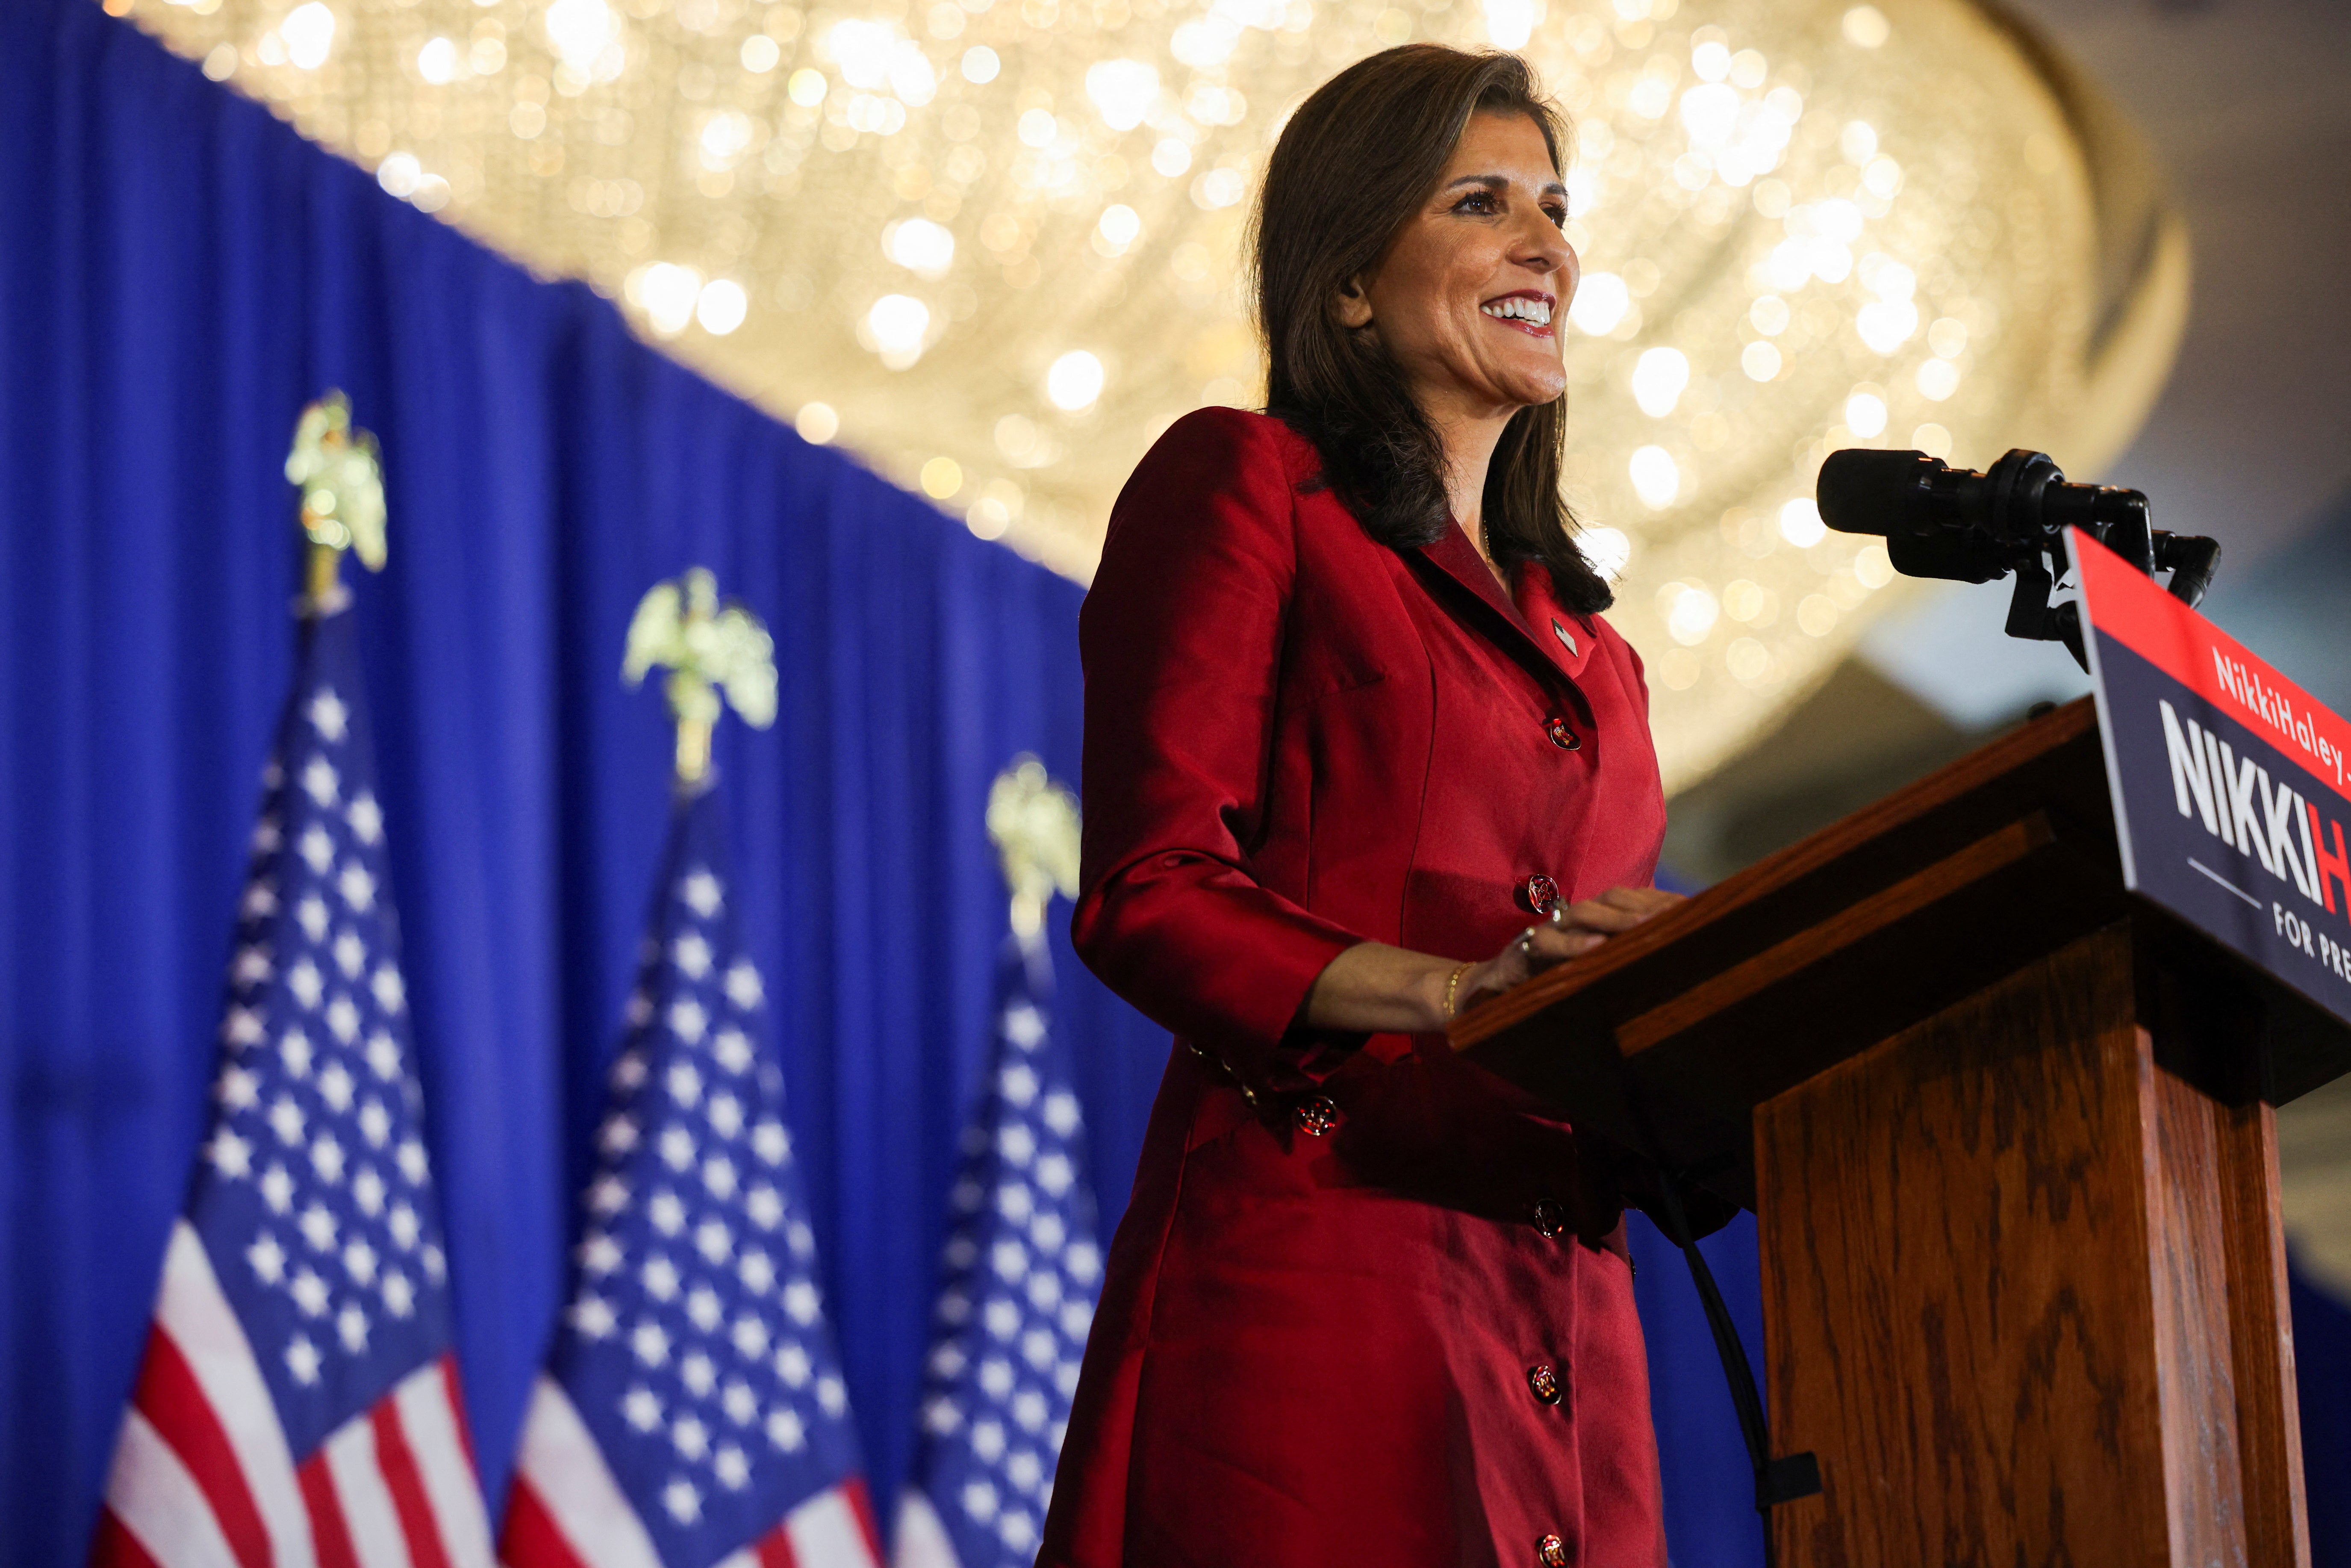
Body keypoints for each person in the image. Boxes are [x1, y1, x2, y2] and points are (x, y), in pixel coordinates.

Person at [1040, 42, 1720, 1568]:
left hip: (1569, 1332)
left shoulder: (1598, 658)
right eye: (1481, 202)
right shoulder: (1247, 488)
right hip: (1321, 1276)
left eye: (1554, 205)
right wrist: (1452, 992)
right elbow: (1149, 886)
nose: (1546, 242)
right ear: (1349, 282)